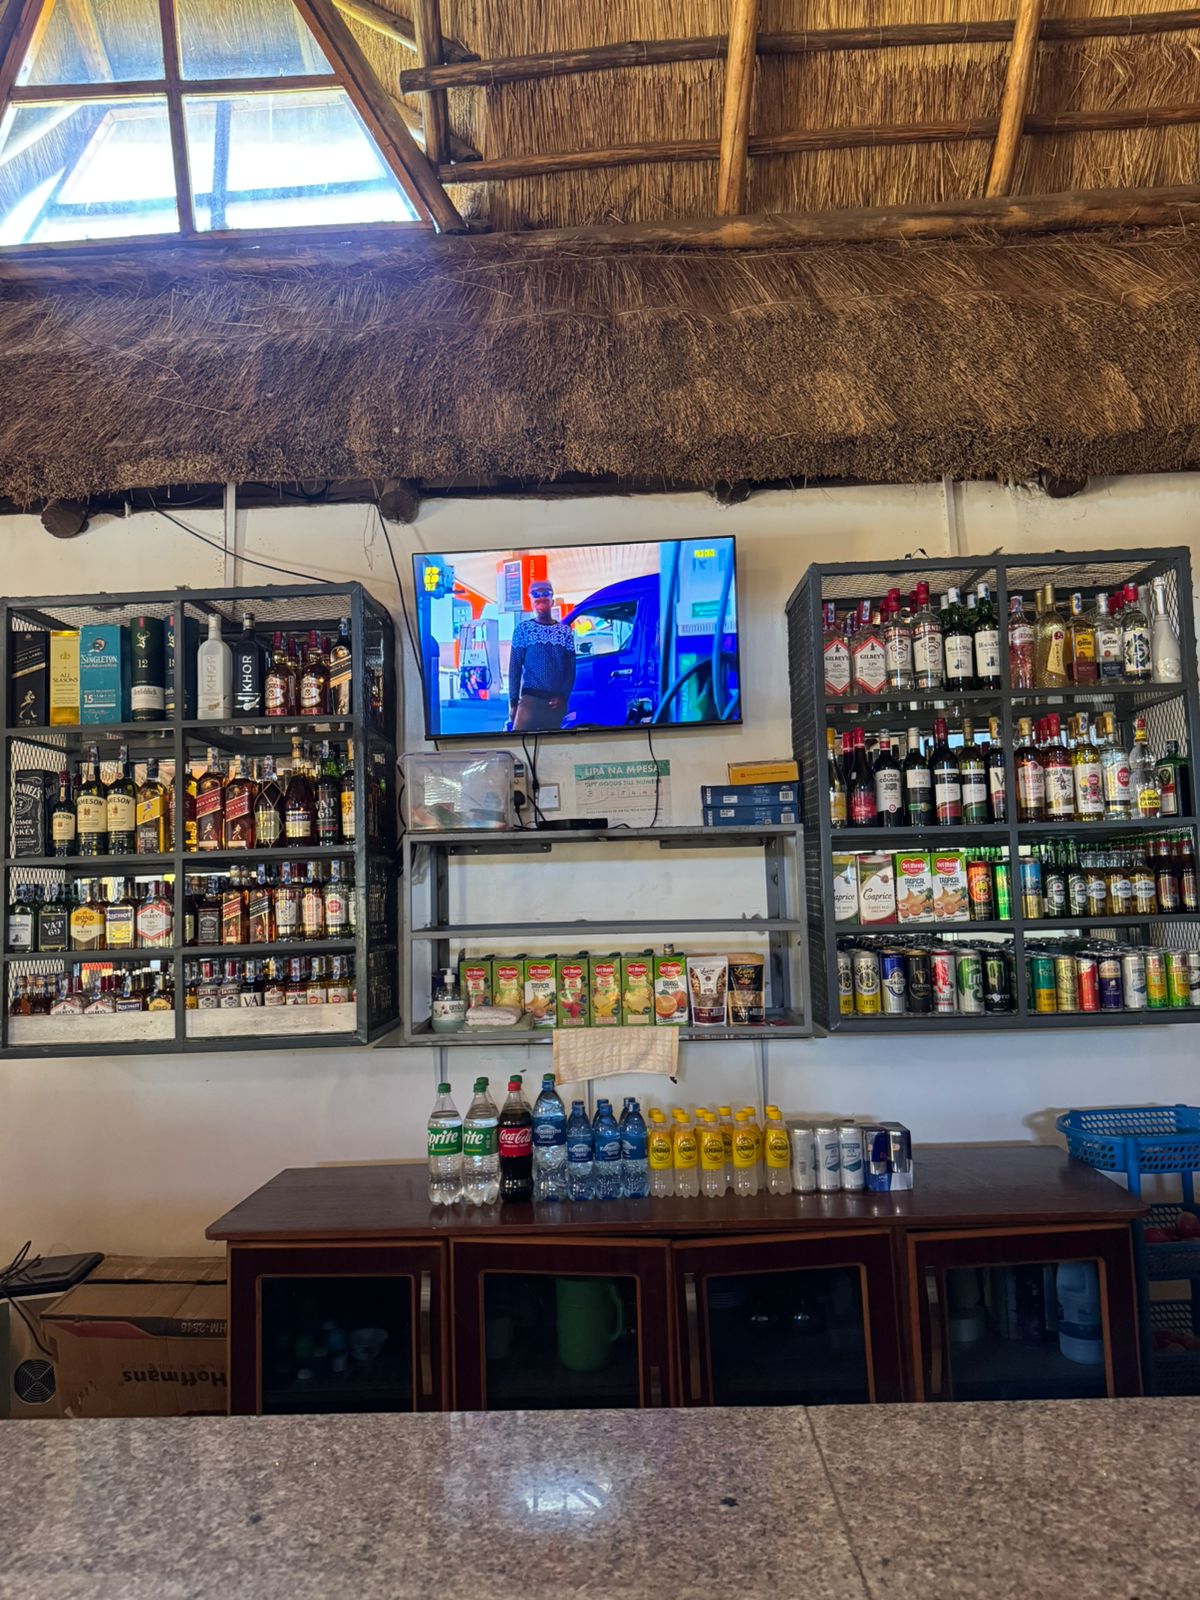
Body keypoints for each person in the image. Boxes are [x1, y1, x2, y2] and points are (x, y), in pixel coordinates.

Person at [507, 580, 576, 731]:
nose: (541, 601)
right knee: (520, 741)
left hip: (555, 703)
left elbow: (570, 670)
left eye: (545, 596)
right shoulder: (523, 629)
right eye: (536, 598)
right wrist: (513, 703)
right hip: (530, 702)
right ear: (531, 602)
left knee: (552, 744)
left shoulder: (564, 631)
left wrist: (563, 697)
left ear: (552, 601)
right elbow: (514, 668)